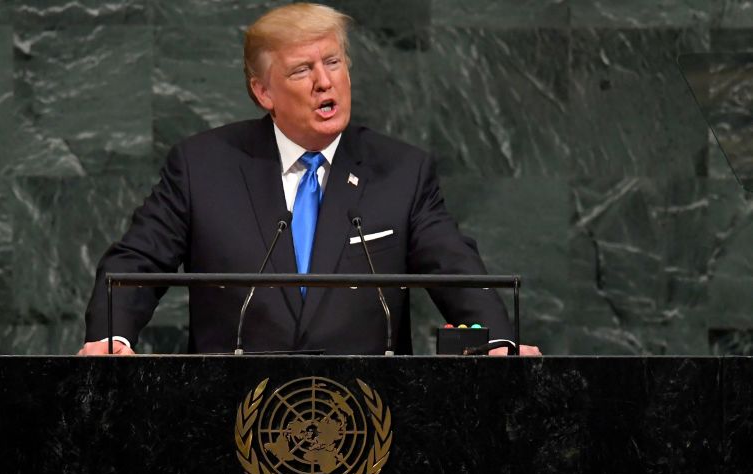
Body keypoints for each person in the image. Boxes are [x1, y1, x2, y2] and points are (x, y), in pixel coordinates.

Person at [78, 3, 540, 356]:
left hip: (368, 420)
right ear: (263, 92)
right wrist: (110, 336)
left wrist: (498, 342)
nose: (325, 82)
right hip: (227, 417)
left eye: (333, 63)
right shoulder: (202, 167)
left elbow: (454, 267)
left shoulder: (401, 171)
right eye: (302, 70)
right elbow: (135, 263)